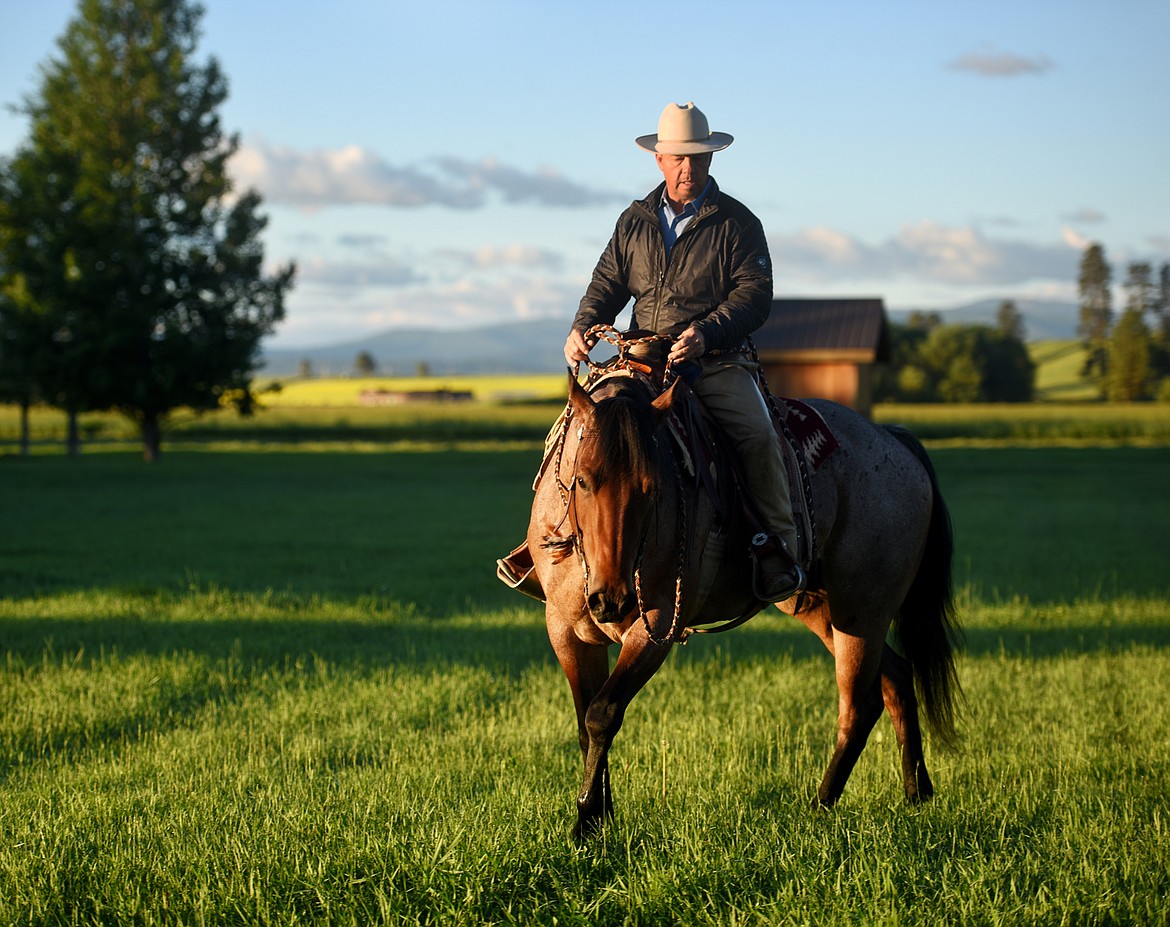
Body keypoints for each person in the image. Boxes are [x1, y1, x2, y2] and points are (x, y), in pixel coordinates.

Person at [565, 101, 804, 602]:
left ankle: (778, 548)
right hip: (637, 357)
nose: (687, 168)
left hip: (712, 362)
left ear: (712, 159)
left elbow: (754, 295)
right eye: (678, 157)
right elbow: (607, 283)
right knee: (571, 430)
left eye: (697, 157)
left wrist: (707, 332)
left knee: (756, 434)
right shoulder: (634, 221)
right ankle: (549, 541)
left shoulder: (738, 224)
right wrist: (584, 325)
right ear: (659, 159)